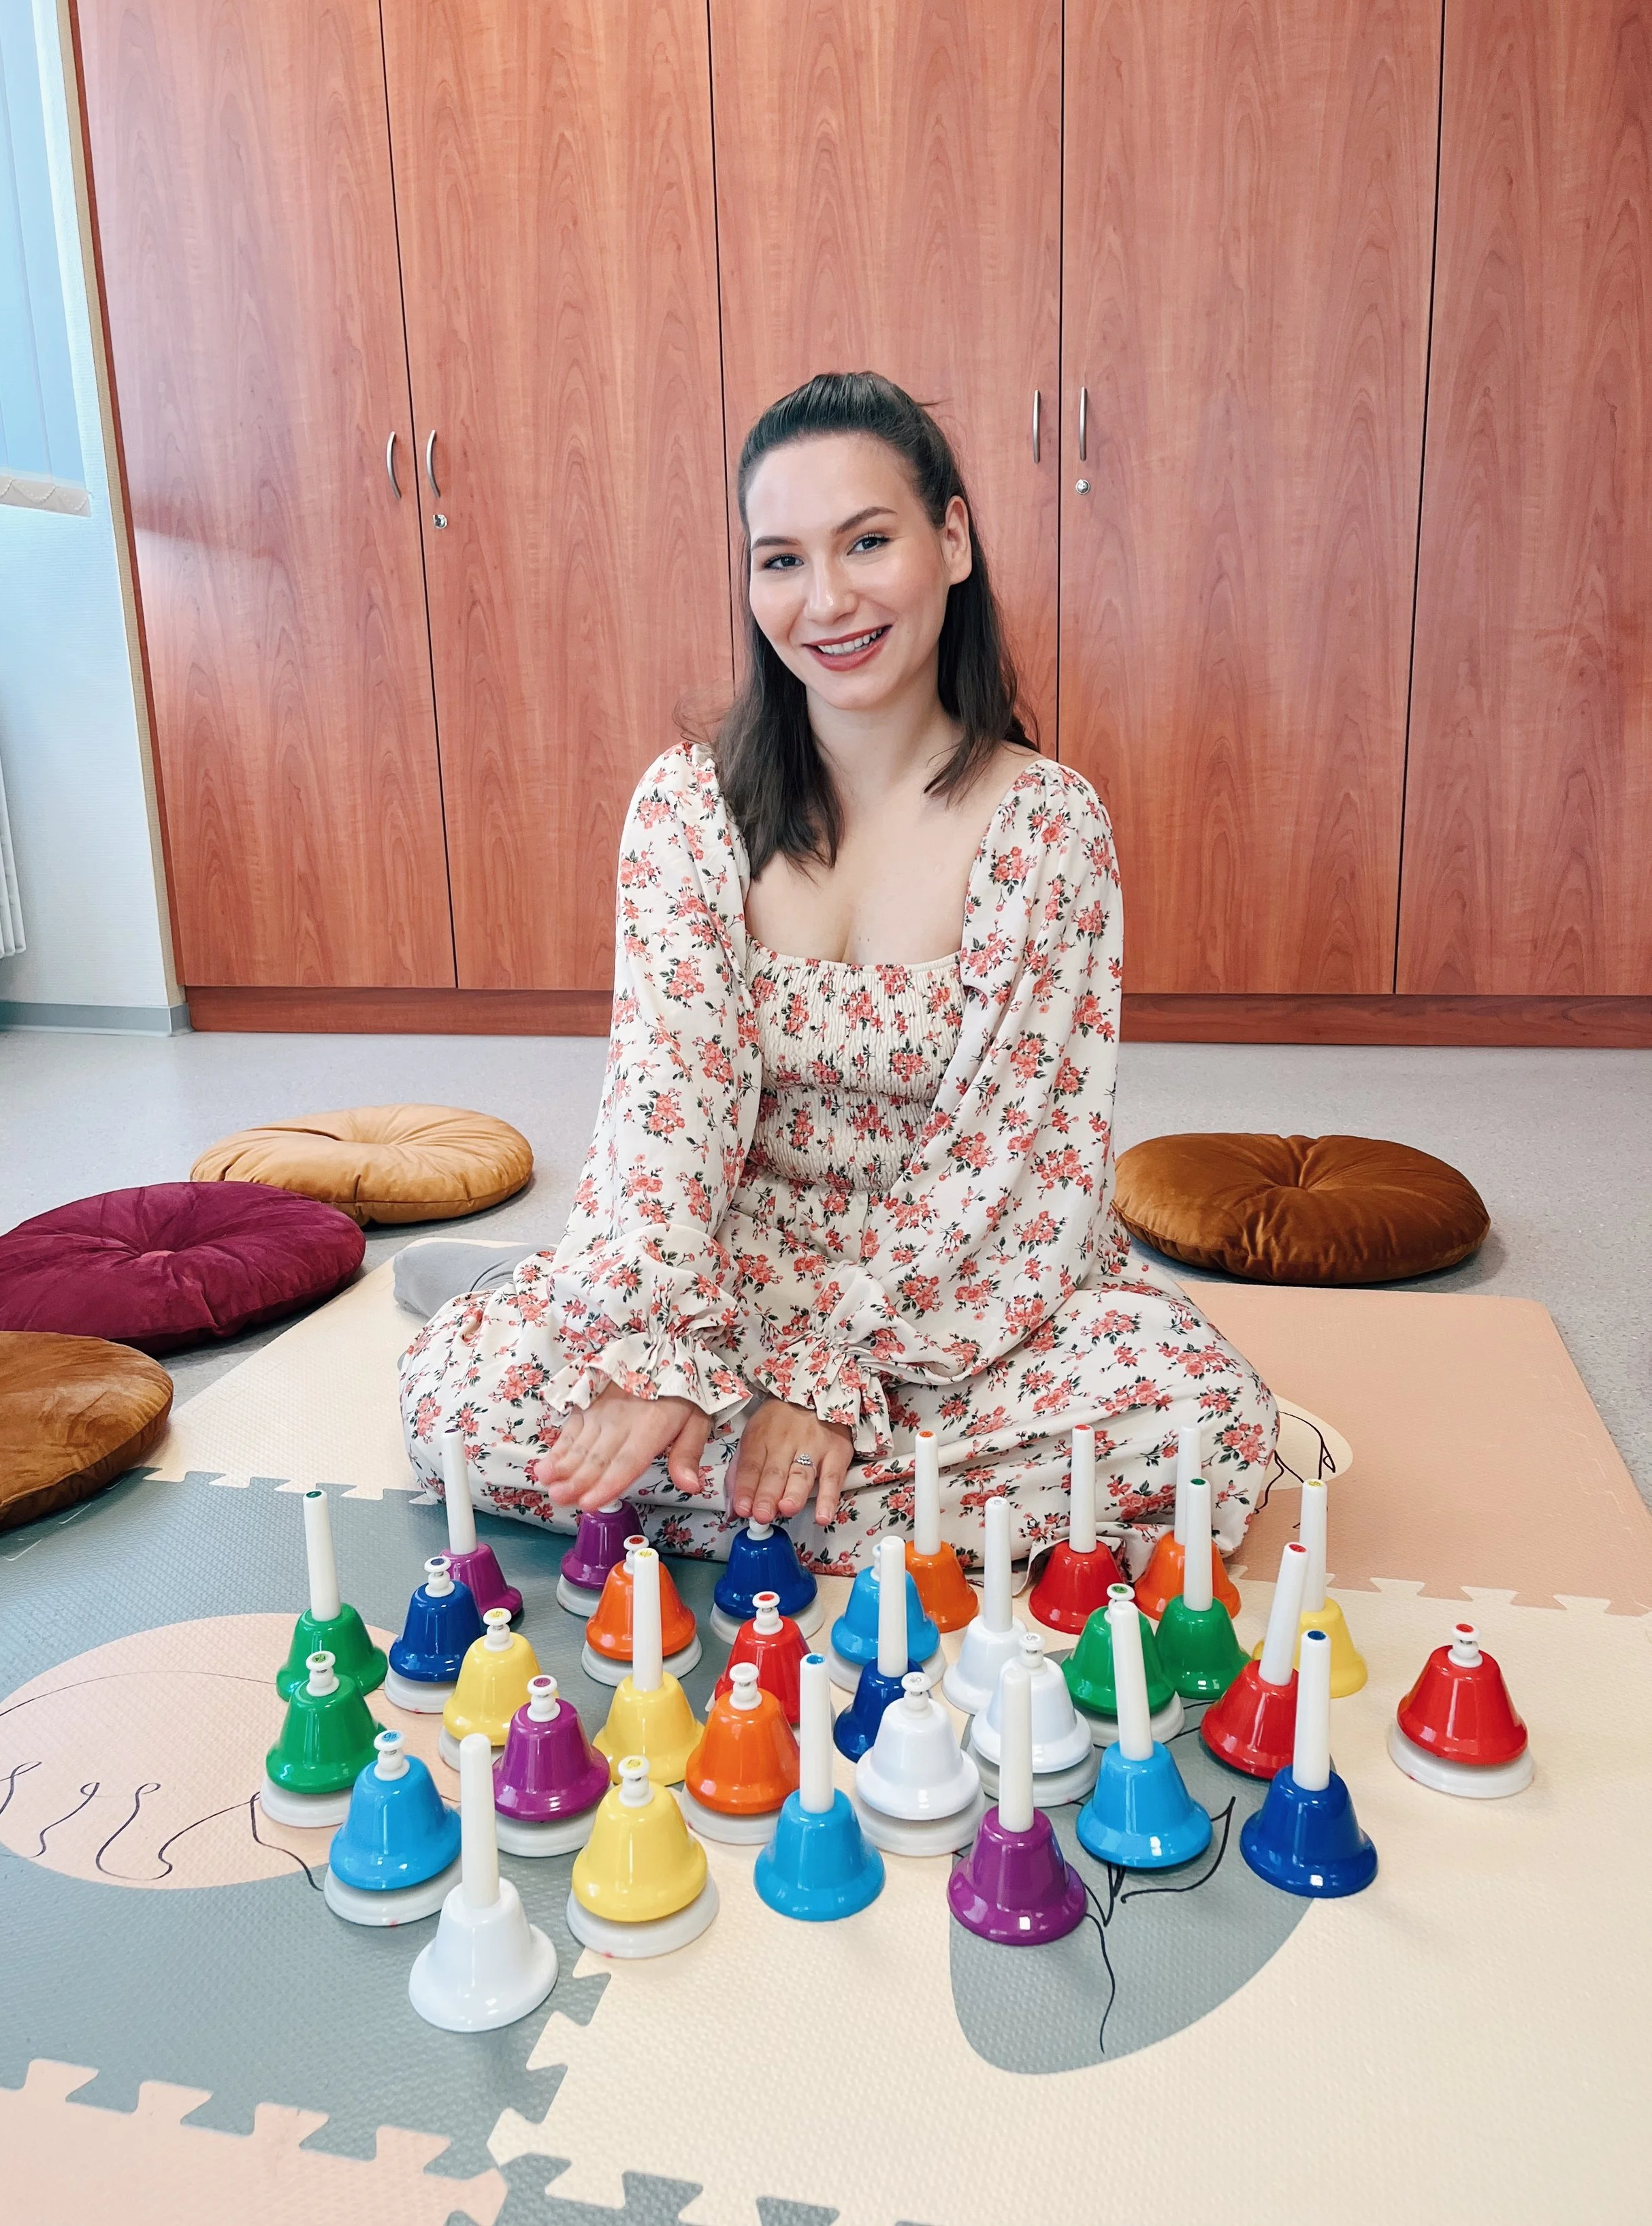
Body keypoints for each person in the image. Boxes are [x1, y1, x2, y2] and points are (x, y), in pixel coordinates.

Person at [399, 371, 1276, 1572]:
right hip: (725, 1272)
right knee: (459, 1410)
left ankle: (729, 1498)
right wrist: (663, 1357)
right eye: (781, 560)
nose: (828, 601)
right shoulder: (688, 805)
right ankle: (821, 1498)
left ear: (952, 540)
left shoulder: (1047, 826)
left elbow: (1017, 1164)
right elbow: (667, 1105)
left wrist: (832, 1382)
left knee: (1206, 1429)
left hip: (959, 1298)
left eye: (868, 542)